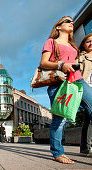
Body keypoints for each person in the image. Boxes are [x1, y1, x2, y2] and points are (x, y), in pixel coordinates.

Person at [40, 16, 92, 164]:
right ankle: (57, 152)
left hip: (78, 81)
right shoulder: (51, 42)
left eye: (72, 21)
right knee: (60, 119)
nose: (72, 23)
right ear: (58, 27)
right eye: (68, 21)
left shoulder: (73, 46)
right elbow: (43, 63)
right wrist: (60, 65)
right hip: (59, 83)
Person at [78, 33, 92, 157]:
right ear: (83, 45)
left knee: (88, 119)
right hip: (87, 88)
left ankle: (85, 148)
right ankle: (86, 147)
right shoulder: (81, 57)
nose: (91, 43)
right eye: (88, 41)